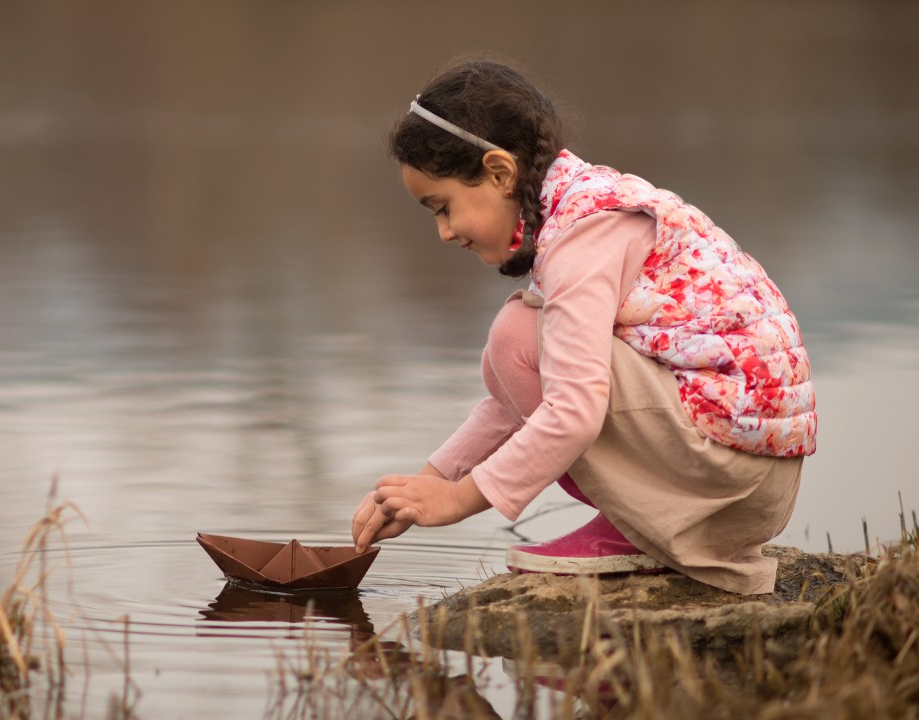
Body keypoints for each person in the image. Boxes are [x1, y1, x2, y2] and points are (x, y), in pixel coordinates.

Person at [349, 57, 816, 595]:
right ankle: (640, 520)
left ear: (500, 173)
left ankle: (646, 523)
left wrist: (460, 499)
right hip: (743, 471)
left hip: (731, 479)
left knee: (517, 338)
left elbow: (572, 410)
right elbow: (518, 400)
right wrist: (430, 483)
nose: (445, 232)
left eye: (444, 207)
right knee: (518, 346)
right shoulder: (577, 207)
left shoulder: (582, 236)